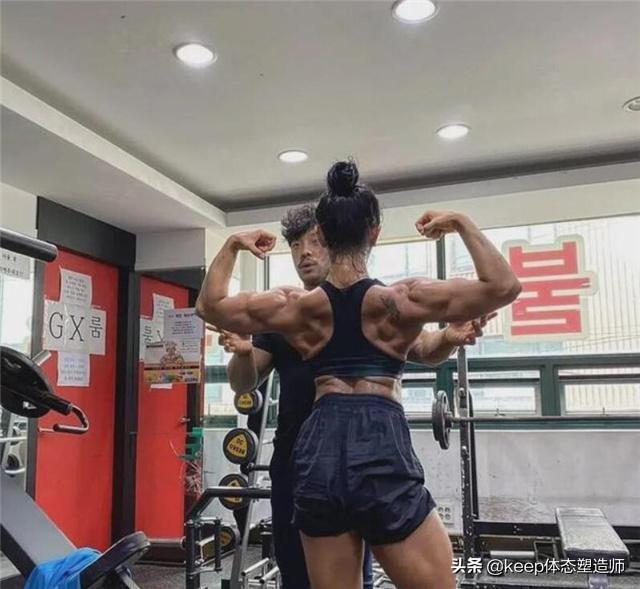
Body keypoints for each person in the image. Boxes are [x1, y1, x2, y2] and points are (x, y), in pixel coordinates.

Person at [196, 161, 521, 589]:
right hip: (378, 436)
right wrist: (461, 222)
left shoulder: (299, 307)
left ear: (324, 235)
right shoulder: (400, 300)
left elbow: (210, 305)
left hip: (318, 445)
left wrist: (233, 245)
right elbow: (504, 286)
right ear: (374, 233)